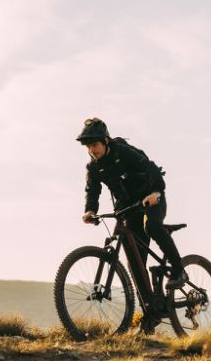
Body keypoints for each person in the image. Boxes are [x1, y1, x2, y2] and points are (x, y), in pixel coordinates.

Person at [77, 117, 187, 292]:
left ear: (105, 141)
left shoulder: (122, 152)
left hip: (149, 199)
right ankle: (149, 305)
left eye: (95, 145)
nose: (92, 150)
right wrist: (90, 210)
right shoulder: (93, 168)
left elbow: (150, 168)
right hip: (128, 208)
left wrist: (156, 192)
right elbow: (92, 190)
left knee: (151, 226)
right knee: (134, 262)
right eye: (88, 147)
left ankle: (179, 271)